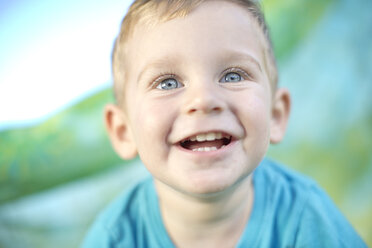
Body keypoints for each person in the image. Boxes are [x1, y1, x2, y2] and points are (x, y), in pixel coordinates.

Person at [82, 0, 366, 247]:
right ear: (123, 131)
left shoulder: (307, 219)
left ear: (275, 115)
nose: (204, 100)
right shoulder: (115, 237)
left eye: (233, 76)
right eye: (167, 82)